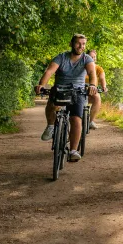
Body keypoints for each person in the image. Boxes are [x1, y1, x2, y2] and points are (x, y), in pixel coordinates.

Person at [35, 34, 98, 162]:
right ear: (71, 44)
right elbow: (50, 71)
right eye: (78, 43)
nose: (81, 46)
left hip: (78, 91)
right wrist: (41, 84)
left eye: (84, 44)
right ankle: (51, 126)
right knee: (52, 105)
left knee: (75, 119)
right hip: (60, 89)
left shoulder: (87, 59)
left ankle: (73, 150)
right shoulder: (61, 57)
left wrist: (92, 85)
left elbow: (92, 73)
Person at [83, 49, 108, 129]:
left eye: (94, 57)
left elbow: (102, 78)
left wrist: (104, 86)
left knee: (97, 98)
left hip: (92, 91)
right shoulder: (82, 66)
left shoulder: (98, 68)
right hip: (80, 89)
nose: (93, 58)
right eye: (91, 56)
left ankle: (91, 121)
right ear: (87, 57)